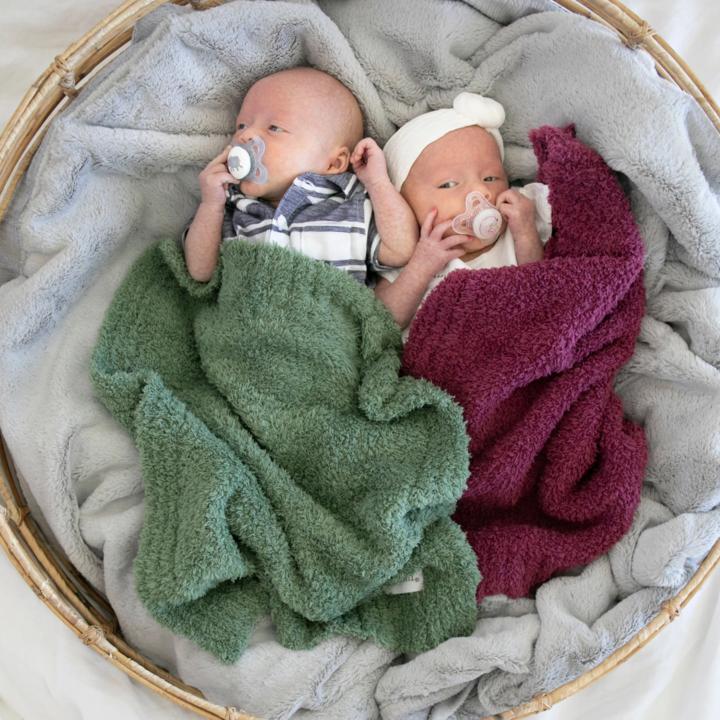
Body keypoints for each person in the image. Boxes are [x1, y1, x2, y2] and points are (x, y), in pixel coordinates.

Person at [182, 66, 418, 285]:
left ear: (334, 163)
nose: (245, 136)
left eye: (274, 128)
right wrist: (211, 205)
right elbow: (201, 271)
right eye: (241, 126)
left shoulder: (349, 210)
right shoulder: (235, 210)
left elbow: (400, 250)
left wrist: (377, 182)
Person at [354, 92, 552, 334]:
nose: (481, 192)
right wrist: (421, 268)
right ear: (405, 205)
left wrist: (526, 232)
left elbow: (540, 291)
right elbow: (384, 322)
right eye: (448, 184)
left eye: (491, 178)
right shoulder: (412, 261)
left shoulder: (517, 228)